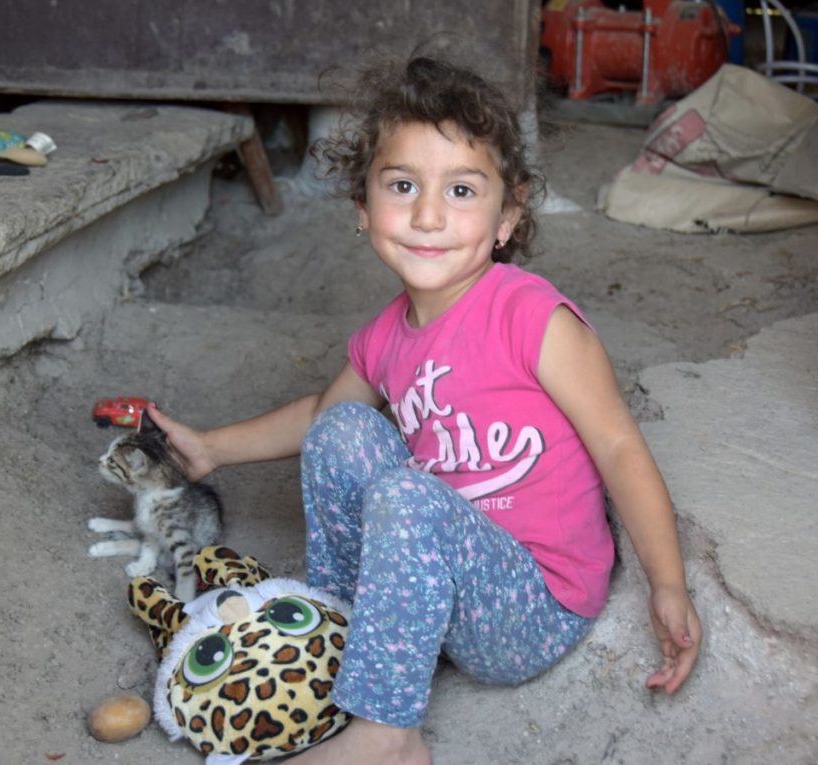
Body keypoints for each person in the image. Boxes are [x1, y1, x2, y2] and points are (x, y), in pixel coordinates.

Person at [147, 55, 702, 765]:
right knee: (343, 430)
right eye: (402, 185)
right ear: (362, 209)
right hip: (441, 578)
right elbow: (324, 410)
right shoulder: (389, 333)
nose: (429, 215)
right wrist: (213, 448)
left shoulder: (531, 316)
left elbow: (621, 449)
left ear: (508, 215)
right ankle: (350, 646)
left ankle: (388, 736)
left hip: (530, 606)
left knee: (408, 494)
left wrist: (668, 582)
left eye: (462, 190)